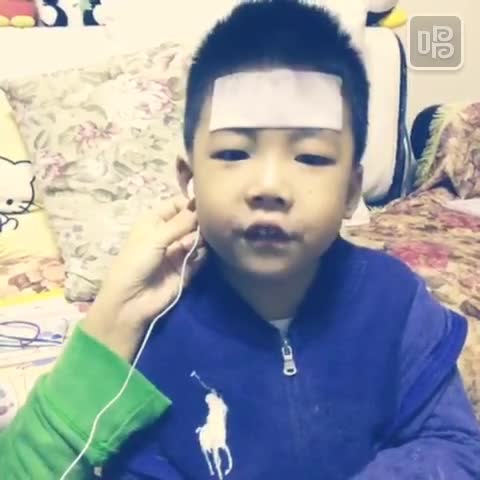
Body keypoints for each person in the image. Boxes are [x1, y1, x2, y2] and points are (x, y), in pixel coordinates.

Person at [2, 1, 480, 479]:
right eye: (233, 153)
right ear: (189, 179)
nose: (268, 186)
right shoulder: (153, 335)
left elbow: (452, 444)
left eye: (311, 157)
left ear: (352, 191)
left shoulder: (396, 301)